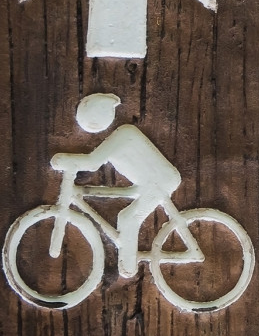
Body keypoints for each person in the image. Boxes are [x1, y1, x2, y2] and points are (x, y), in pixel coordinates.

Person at [51, 93, 181, 275]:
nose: (93, 122)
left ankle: (128, 267)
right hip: (148, 182)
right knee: (126, 217)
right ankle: (127, 263)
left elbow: (93, 162)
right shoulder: (117, 135)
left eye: (96, 116)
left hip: (161, 181)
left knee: (129, 219)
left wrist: (62, 160)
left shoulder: (123, 134)